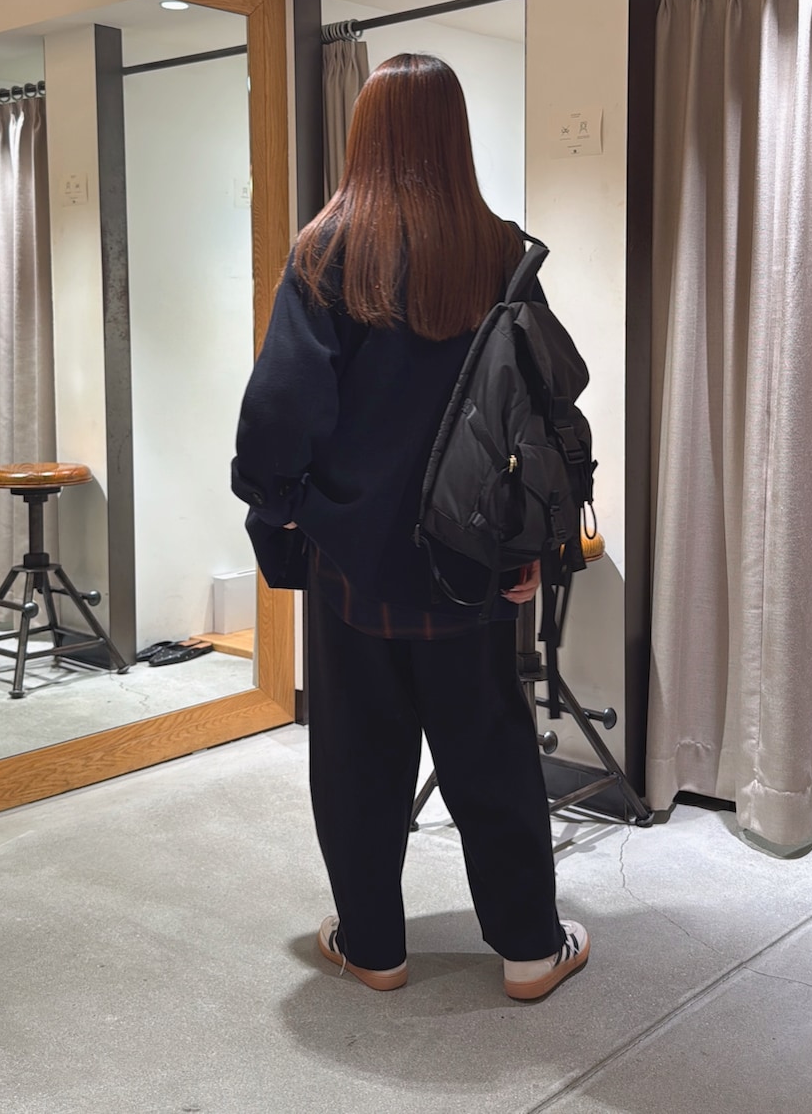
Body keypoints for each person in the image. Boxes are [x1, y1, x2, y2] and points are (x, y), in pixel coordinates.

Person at [232, 52, 588, 1001]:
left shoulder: (325, 251)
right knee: (491, 751)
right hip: (472, 561)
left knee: (358, 756)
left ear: (366, 134)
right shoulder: (499, 248)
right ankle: (529, 950)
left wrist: (279, 511)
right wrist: (532, 548)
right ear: (454, 134)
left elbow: (278, 411)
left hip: (352, 562)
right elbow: (535, 413)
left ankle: (375, 947)